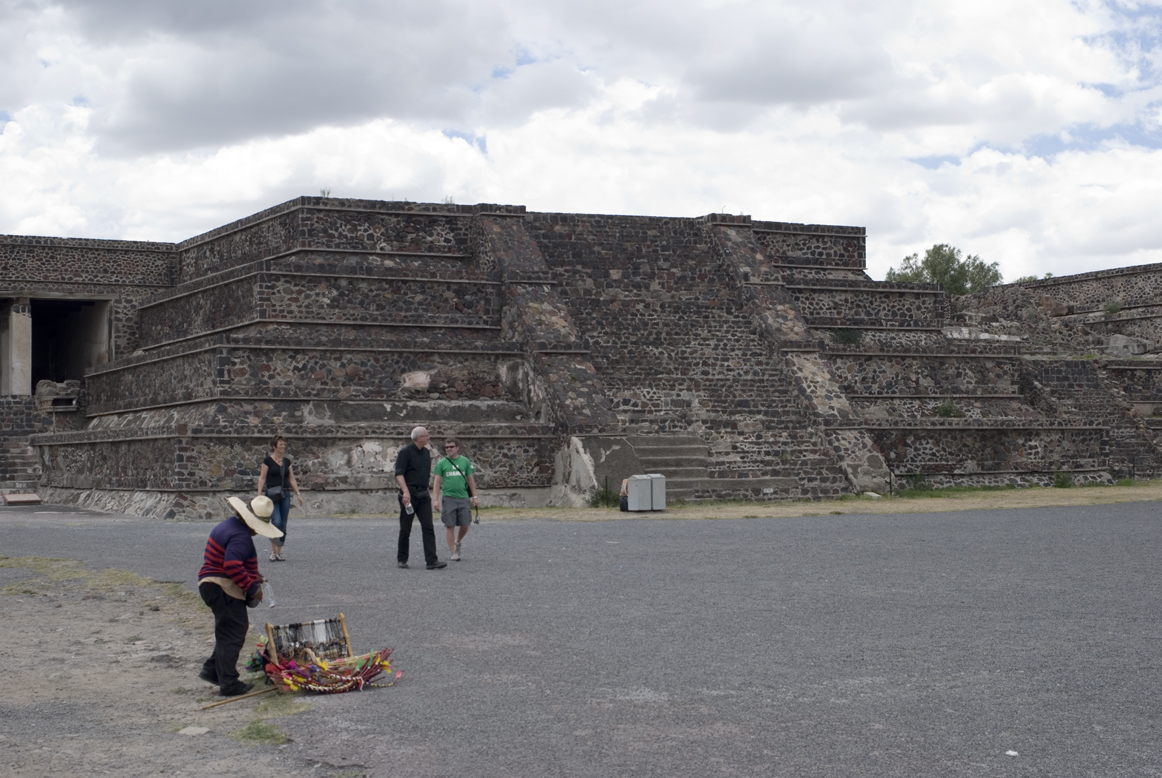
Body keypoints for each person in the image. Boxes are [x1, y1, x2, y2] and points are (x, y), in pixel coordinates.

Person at [197, 495, 282, 696]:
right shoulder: (241, 536)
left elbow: (231, 561)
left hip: (210, 583)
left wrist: (252, 575)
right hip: (222, 586)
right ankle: (228, 683)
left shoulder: (229, 526)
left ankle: (212, 670)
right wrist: (253, 589)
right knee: (234, 632)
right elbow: (232, 565)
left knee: (227, 631)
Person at [394, 426, 446, 570]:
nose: (428, 437)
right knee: (405, 528)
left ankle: (431, 560)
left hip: (423, 495)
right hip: (409, 495)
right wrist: (405, 492)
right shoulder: (405, 453)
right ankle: (402, 559)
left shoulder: (426, 453)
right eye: (426, 435)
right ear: (418, 438)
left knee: (428, 527)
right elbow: (399, 474)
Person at [257, 435, 303, 562]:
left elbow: (291, 479)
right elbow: (262, 478)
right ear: (274, 446)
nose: (283, 446)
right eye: (280, 444)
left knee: (283, 524)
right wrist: (259, 494)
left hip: (285, 494)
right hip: (272, 495)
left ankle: (278, 552)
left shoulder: (287, 461)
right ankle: (272, 551)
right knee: (276, 521)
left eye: (284, 444)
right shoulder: (267, 461)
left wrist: (298, 493)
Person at [433, 437, 478, 561]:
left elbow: (471, 480)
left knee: (465, 524)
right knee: (449, 525)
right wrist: (435, 499)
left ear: (457, 447)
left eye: (451, 446)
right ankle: (453, 551)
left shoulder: (465, 461)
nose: (449, 449)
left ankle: (458, 542)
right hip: (448, 498)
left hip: (463, 497)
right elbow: (436, 482)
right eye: (447, 447)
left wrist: (474, 496)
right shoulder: (441, 463)